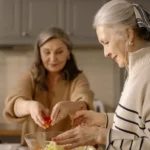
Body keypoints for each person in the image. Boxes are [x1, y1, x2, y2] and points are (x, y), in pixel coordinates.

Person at [53, 0, 150, 149]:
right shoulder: (136, 69)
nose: (106, 53)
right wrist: (102, 119)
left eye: (106, 42)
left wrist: (99, 135)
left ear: (129, 34)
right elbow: (137, 126)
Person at [3, 27, 94, 146]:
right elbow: (14, 104)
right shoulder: (30, 76)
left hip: (66, 147)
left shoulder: (78, 78)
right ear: (39, 54)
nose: (52, 59)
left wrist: (70, 106)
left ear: (68, 53)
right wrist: (29, 106)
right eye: (46, 52)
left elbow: (84, 102)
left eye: (59, 52)